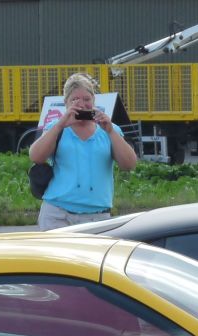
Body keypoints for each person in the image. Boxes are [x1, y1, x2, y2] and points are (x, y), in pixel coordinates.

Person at [29, 73, 137, 229]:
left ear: (94, 101)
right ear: (66, 103)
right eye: (75, 100)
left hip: (98, 216)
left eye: (87, 99)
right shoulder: (57, 127)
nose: (81, 104)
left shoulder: (109, 130)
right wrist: (60, 124)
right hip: (58, 214)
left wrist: (111, 131)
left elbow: (129, 164)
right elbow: (36, 156)